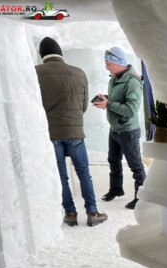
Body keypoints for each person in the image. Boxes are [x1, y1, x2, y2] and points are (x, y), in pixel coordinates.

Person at [35, 37, 108, 227]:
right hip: (75, 132)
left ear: (42, 54)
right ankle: (92, 212)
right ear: (60, 53)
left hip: (51, 134)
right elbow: (83, 107)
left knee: (61, 176)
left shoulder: (36, 72)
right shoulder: (79, 73)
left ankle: (70, 214)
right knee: (84, 173)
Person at [93, 46, 145, 210]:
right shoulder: (114, 79)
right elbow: (119, 100)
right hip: (115, 129)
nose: (106, 67)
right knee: (113, 161)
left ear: (118, 63)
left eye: (108, 64)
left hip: (128, 131)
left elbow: (131, 110)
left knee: (135, 165)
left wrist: (108, 104)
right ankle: (116, 189)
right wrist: (105, 99)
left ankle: (141, 198)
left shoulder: (133, 82)